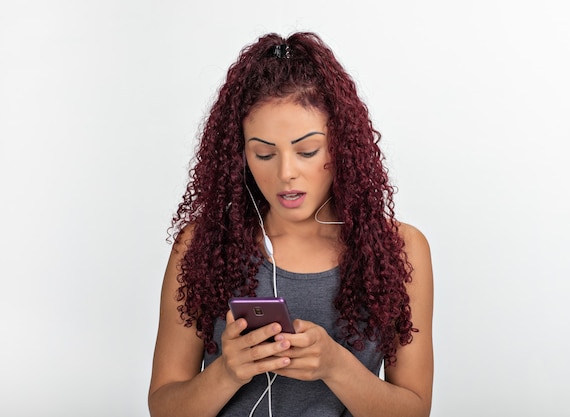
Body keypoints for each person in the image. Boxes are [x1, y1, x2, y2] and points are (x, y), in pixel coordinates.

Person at [148, 32, 434, 417]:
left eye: (307, 151)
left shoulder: (400, 248)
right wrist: (228, 373)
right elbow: (164, 407)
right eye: (264, 153)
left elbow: (414, 410)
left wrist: (336, 366)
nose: (286, 173)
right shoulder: (201, 245)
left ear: (342, 144)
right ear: (239, 154)